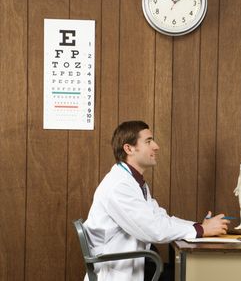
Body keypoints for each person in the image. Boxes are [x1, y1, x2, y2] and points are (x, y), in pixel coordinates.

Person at [83, 120, 229, 281]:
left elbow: (160, 218)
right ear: (129, 148)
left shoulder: (133, 181)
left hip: (137, 264)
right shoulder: (119, 185)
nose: (156, 146)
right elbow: (154, 230)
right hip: (117, 272)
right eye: (148, 141)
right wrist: (202, 230)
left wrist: (198, 227)